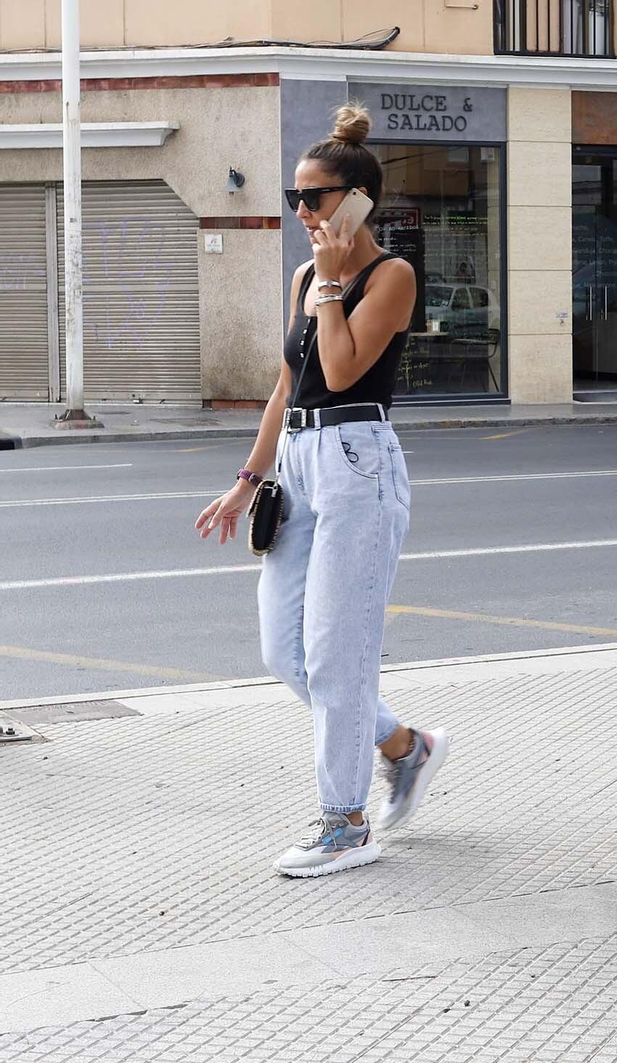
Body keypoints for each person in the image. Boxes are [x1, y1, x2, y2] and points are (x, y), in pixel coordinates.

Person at [194, 104, 450, 879]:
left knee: (338, 655)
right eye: (295, 198)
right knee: (286, 651)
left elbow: (341, 372)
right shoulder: (308, 273)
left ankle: (345, 823)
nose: (303, 211)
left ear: (360, 199)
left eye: (317, 197)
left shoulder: (389, 276)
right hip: (300, 459)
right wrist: (248, 479)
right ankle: (406, 746)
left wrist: (336, 283)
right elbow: (288, 383)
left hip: (356, 458)